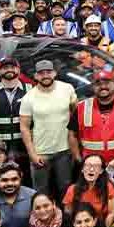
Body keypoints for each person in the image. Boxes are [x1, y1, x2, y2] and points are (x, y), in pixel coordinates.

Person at [20, 60, 77, 200]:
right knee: (41, 192)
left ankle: (66, 220)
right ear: (36, 76)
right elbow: (24, 127)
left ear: (54, 73)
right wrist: (32, 153)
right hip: (41, 153)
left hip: (64, 150)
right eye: (41, 73)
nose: (45, 75)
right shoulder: (29, 97)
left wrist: (75, 147)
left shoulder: (67, 89)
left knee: (66, 190)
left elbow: (75, 114)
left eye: (48, 72)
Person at [69, 71, 114, 170]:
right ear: (93, 87)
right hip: (92, 167)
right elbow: (72, 134)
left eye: (107, 83)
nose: (103, 86)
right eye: (98, 84)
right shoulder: (82, 108)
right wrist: (78, 158)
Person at [62, 155, 114, 227]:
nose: (91, 169)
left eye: (96, 166)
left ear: (101, 171)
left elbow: (111, 213)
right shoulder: (72, 189)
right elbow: (68, 215)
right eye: (88, 165)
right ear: (82, 169)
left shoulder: (108, 187)